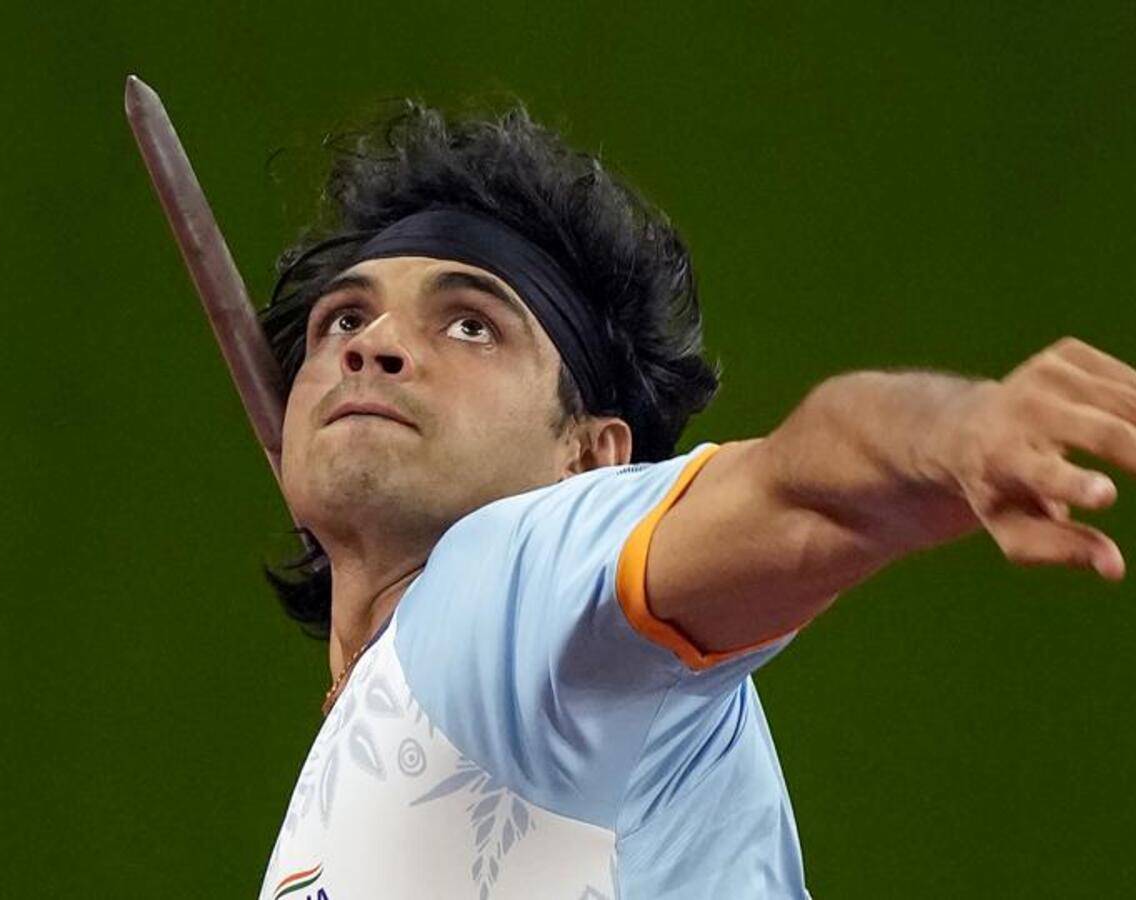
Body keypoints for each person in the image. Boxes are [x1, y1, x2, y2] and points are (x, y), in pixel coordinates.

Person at [252, 101, 1131, 899]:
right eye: (345, 319)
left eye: (471, 324)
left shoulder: (508, 577)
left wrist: (951, 434)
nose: (374, 344)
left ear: (590, 457)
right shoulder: (391, 717)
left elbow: (795, 487)